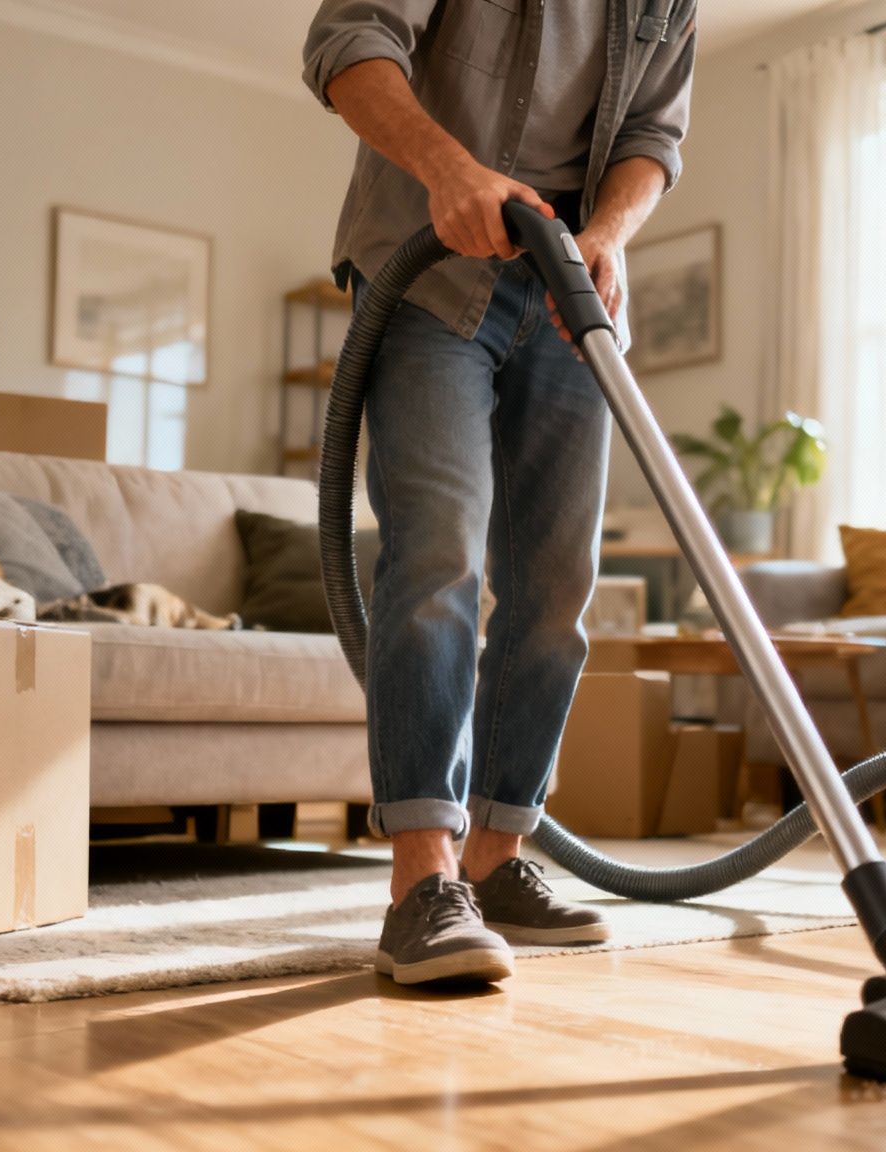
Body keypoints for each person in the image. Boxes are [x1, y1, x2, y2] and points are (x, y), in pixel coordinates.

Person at [302, 1, 695, 985]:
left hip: (566, 288)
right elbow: (347, 44)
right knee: (439, 555)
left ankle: (497, 857)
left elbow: (652, 134)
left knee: (559, 585)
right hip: (428, 263)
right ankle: (422, 878)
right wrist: (451, 170)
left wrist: (606, 232)